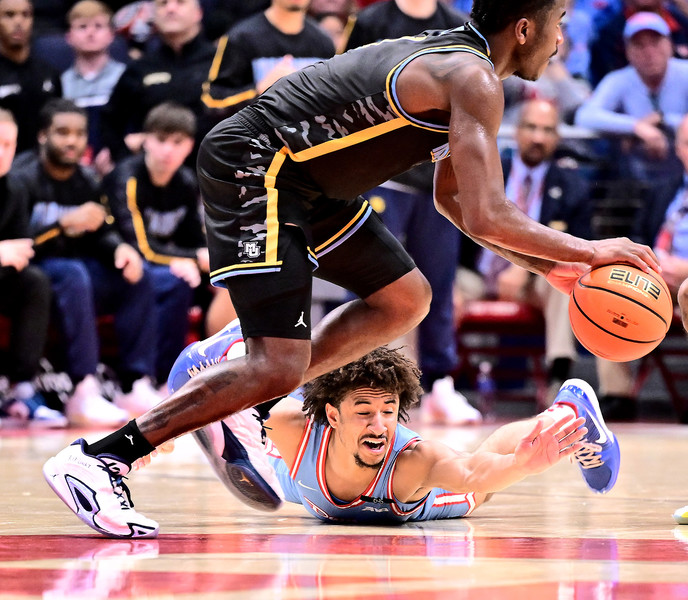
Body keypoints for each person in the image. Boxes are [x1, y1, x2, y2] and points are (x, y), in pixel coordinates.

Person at [43, 0, 658, 538]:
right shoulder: (472, 78)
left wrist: (546, 267)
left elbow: (455, 202)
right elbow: (489, 211)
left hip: (309, 183)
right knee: (277, 362)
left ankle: (244, 391)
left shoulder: (459, 65)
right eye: (560, 23)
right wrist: (588, 251)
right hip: (261, 165)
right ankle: (104, 458)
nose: (563, 41)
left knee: (403, 299)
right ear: (525, 28)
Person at [344, 0, 479, 426]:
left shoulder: (458, 26)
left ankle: (440, 383)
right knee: (369, 282)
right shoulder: (371, 22)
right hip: (381, 175)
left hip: (438, 175)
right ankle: (352, 378)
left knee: (439, 281)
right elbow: (344, 89)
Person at [14, 98, 160, 427]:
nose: (72, 141)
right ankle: (83, 387)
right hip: (35, 273)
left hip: (76, 273)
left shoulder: (87, 181)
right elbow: (18, 242)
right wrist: (61, 226)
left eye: (79, 134)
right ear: (42, 136)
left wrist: (119, 250)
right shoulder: (22, 178)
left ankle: (133, 383)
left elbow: (101, 231)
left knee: (137, 276)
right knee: (73, 272)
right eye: (62, 132)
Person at [472, 98, 592, 401]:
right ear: (515, 131)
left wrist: (521, 269)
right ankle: (435, 382)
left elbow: (578, 251)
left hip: (536, 279)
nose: (538, 137)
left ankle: (559, 376)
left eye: (547, 130)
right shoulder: (486, 175)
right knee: (435, 282)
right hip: (477, 272)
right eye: (532, 127)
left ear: (557, 138)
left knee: (565, 284)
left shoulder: (573, 186)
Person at [103, 102, 208, 389]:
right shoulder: (127, 178)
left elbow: (196, 239)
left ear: (190, 146)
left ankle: (169, 379)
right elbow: (141, 248)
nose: (168, 151)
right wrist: (193, 258)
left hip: (162, 265)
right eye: (161, 140)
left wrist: (199, 260)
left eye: (178, 142)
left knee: (188, 281)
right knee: (159, 278)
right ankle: (136, 379)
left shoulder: (187, 183)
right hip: (117, 263)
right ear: (145, 140)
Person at [0, 108, 66, 428]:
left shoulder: (14, 187)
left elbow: (21, 249)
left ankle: (21, 387)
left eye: (8, 145)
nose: (2, 152)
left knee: (34, 281)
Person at [575, 11, 688, 185]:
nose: (649, 52)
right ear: (628, 51)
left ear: (670, 45)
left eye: (655, 42)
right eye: (640, 45)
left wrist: (664, 121)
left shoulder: (685, 73)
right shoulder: (619, 79)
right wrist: (636, 127)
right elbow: (585, 116)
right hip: (635, 182)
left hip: (683, 179)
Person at [101, 0, 217, 164]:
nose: (170, 8)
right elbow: (110, 121)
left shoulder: (221, 62)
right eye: (163, 4)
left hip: (214, 172)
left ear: (199, 13)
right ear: (154, 16)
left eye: (180, 3)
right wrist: (127, 163)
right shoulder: (140, 68)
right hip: (155, 176)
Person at [201, 0, 335, 120]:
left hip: (307, 142)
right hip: (256, 141)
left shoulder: (324, 42)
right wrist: (259, 90)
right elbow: (211, 101)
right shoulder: (241, 38)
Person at [60, 0, 127, 177]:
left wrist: (115, 152)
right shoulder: (60, 82)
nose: (90, 33)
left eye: (98, 26)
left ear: (111, 34)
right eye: (82, 27)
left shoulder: (126, 77)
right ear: (68, 36)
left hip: (118, 163)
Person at [0, 0, 61, 154]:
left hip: (42, 165)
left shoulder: (49, 72)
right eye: (9, 15)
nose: (19, 22)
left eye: (26, 15)